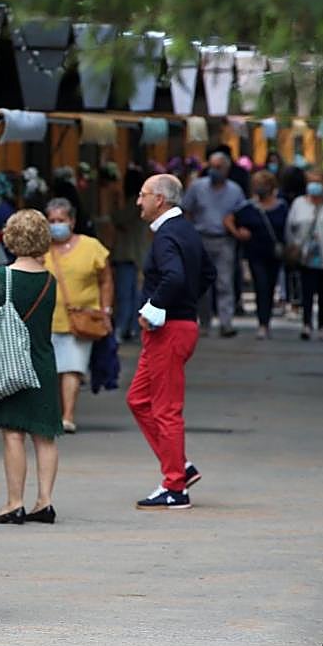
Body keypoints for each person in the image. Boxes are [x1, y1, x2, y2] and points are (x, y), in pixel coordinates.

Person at [128, 174, 215, 510]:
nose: (139, 201)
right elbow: (207, 274)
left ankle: (175, 486)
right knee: (138, 400)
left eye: (142, 195)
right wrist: (184, 303)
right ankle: (180, 465)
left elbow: (175, 276)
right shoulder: (186, 230)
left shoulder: (167, 235)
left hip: (169, 331)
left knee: (165, 409)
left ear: (159, 200)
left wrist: (155, 308)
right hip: (179, 326)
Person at [0, 210, 63, 525]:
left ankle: (15, 503)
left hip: (10, 364)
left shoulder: (3, 276)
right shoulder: (49, 280)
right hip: (42, 362)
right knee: (45, 436)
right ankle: (45, 501)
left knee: (13, 434)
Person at [42, 197, 112, 434]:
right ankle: (53, 413)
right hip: (47, 320)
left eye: (61, 220)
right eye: (51, 220)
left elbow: (106, 280)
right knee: (51, 371)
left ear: (72, 221)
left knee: (72, 367)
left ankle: (68, 415)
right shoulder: (40, 249)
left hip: (81, 319)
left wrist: (106, 310)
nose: (56, 225)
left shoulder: (92, 247)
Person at [182, 150, 246, 337]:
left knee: (224, 282)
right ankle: (205, 322)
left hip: (225, 240)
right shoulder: (197, 187)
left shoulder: (235, 190)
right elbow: (186, 210)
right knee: (202, 284)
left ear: (227, 169)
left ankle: (226, 323)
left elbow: (242, 214)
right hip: (200, 238)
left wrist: (236, 228)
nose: (215, 170)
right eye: (212, 166)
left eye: (219, 167)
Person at [285, 169, 323, 341]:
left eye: (317, 182)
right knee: (307, 290)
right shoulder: (299, 203)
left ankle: (322, 325)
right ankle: (306, 324)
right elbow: (290, 227)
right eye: (311, 182)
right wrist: (291, 246)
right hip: (305, 254)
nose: (314, 186)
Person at [228, 171, 288, 339]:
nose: (259, 188)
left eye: (263, 184)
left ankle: (266, 319)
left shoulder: (281, 207)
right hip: (255, 254)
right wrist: (238, 233)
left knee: (269, 287)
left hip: (275, 254)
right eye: (256, 184)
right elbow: (228, 219)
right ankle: (262, 323)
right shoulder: (248, 207)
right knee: (261, 285)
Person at [110, 167, 151, 342]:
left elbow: (118, 218)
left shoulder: (132, 204)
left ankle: (122, 327)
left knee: (125, 294)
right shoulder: (144, 204)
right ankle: (133, 328)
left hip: (127, 254)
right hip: (139, 253)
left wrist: (113, 202)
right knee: (135, 294)